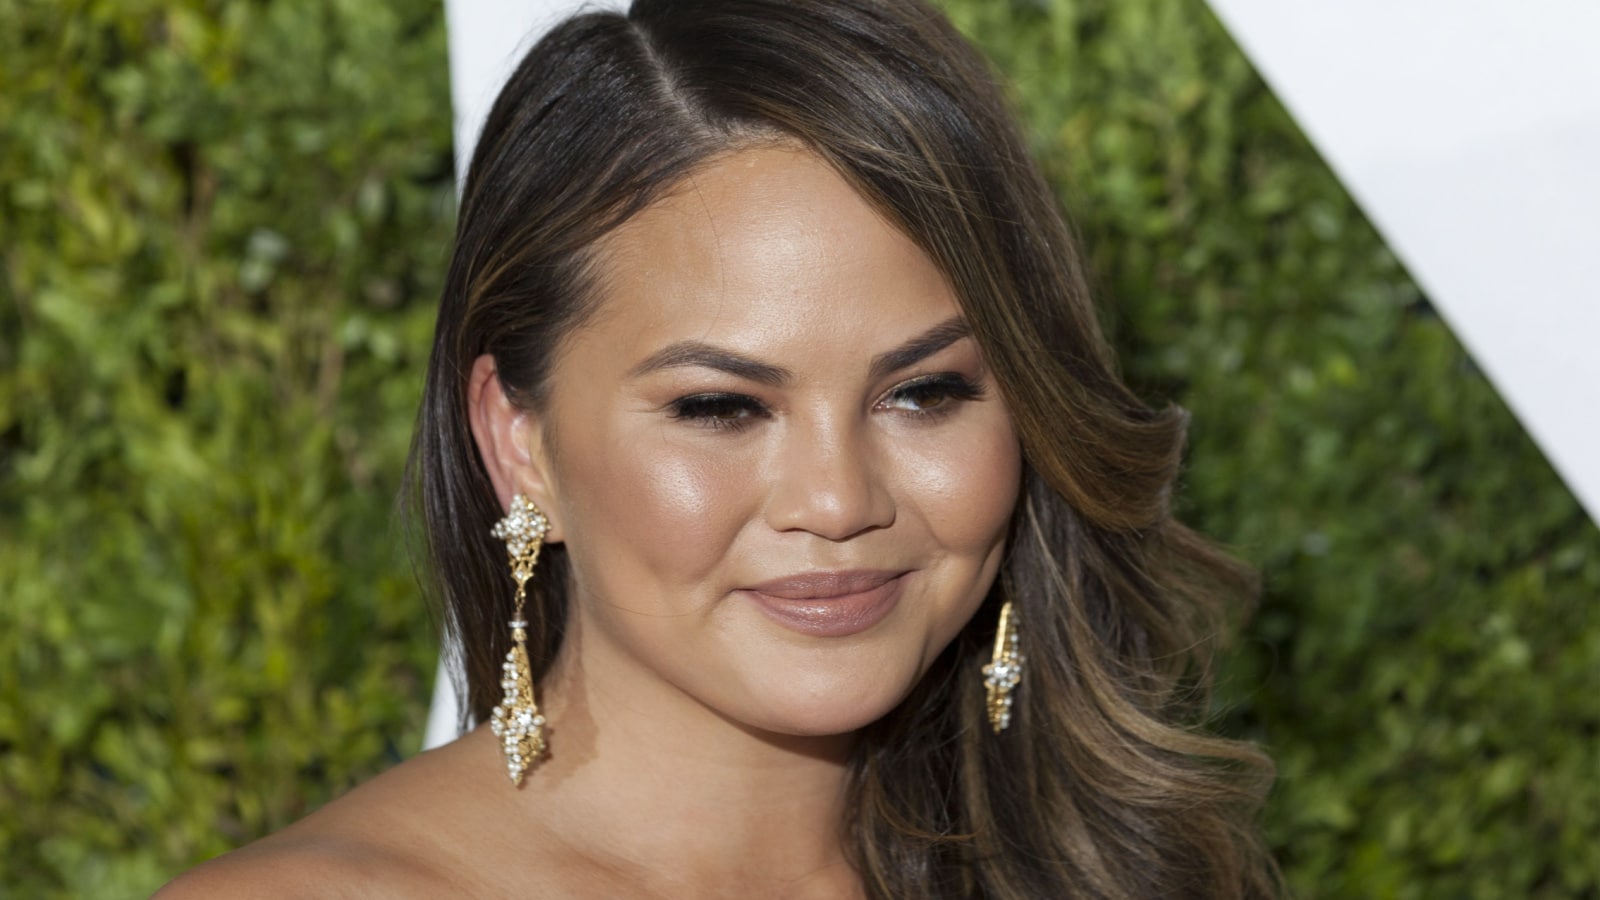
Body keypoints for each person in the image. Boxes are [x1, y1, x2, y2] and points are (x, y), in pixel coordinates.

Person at [160, 0, 1278, 896]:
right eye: (720, 408)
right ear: (520, 439)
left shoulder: (1121, 870)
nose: (837, 502)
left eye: (925, 391)